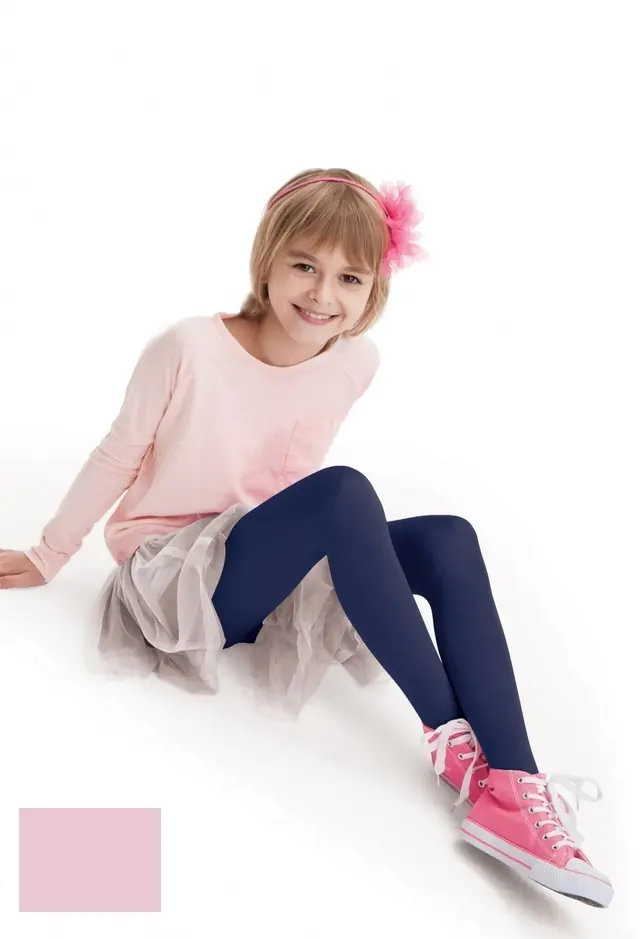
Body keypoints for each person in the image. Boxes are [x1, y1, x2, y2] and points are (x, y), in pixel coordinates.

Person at [0, 168, 612, 908]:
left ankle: (515, 783)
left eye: (350, 277)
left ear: (373, 289)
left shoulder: (355, 361)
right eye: (304, 266)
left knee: (449, 538)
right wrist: (48, 554)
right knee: (343, 492)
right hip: (183, 577)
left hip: (275, 557)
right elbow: (117, 454)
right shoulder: (187, 346)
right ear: (267, 260)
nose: (323, 294)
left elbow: (284, 482)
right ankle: (451, 740)